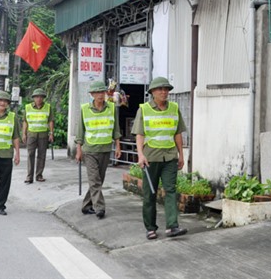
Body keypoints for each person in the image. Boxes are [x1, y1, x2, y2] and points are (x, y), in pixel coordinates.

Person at [133, 76, 188, 240]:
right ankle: (150, 227)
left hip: (170, 157)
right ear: (152, 92)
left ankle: (172, 226)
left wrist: (181, 155)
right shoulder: (143, 109)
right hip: (150, 158)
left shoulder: (174, 108)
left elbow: (177, 133)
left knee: (171, 190)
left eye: (166, 89)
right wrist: (140, 155)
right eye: (160, 89)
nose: (164, 92)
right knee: (150, 193)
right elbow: (140, 135)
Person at [75, 80, 122, 219]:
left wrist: (118, 146)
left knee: (98, 180)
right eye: (97, 93)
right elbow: (80, 132)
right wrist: (78, 151)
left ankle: (86, 206)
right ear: (92, 95)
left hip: (105, 148)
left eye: (102, 92)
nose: (100, 95)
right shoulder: (84, 109)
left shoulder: (112, 108)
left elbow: (116, 129)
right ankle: (99, 207)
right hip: (89, 150)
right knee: (94, 180)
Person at [22, 88, 54, 183]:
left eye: (41, 97)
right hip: (31, 134)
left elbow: (50, 121)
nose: (39, 99)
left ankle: (39, 175)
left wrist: (51, 133)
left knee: (42, 155)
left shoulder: (48, 107)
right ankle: (29, 177)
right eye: (36, 97)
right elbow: (25, 122)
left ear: (43, 98)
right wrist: (24, 134)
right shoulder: (27, 107)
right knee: (30, 154)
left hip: (43, 134)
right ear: (33, 98)